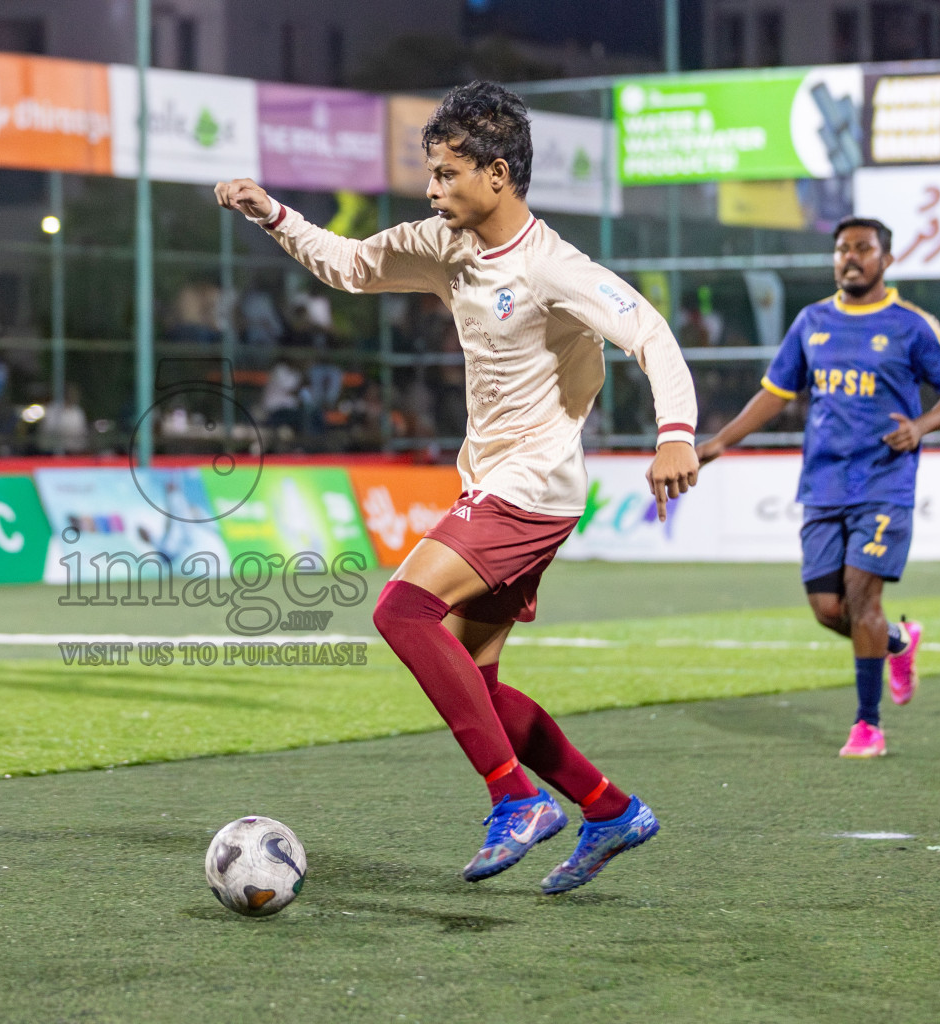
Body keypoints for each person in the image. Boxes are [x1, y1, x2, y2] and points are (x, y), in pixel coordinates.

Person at [216, 81, 700, 895]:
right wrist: (272, 213)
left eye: (446, 174)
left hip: (531, 485)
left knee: (401, 609)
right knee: (477, 680)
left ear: (498, 173)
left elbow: (649, 332)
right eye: (431, 173)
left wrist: (675, 433)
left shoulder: (554, 267)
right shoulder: (448, 244)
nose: (432, 190)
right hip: (501, 483)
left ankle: (516, 796)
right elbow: (353, 265)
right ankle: (608, 807)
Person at [698, 217, 940, 759]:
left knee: (862, 596)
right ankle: (897, 641)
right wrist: (719, 442)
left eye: (863, 249)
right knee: (828, 609)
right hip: (823, 485)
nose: (851, 257)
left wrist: (918, 427)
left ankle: (867, 726)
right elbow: (775, 393)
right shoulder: (811, 321)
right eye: (843, 249)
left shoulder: (912, 325)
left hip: (883, 484)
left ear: (886, 259)